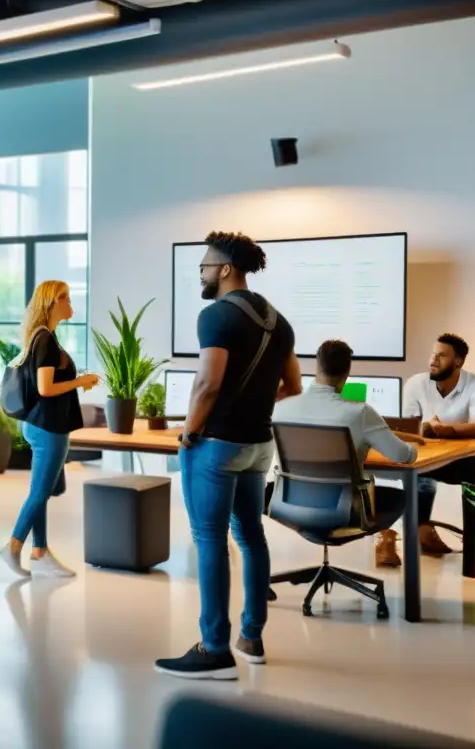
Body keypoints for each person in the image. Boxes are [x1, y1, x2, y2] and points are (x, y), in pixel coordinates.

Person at [155, 231, 301, 681]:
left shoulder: (215, 316)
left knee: (210, 539)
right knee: (250, 537)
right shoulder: (279, 320)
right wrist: (254, 409)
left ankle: (214, 648)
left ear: (224, 270)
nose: (200, 272)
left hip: (216, 445)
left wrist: (188, 431)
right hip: (259, 445)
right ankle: (251, 637)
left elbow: (207, 384)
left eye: (204, 265)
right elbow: (294, 385)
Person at [273, 340, 425, 566]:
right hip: (343, 513)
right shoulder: (359, 413)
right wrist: (415, 445)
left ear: (317, 367)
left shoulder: (281, 409)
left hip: (288, 505)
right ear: (346, 373)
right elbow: (403, 456)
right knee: (399, 497)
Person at [0, 280, 99, 579]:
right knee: (41, 492)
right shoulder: (44, 339)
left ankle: (40, 552)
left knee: (39, 491)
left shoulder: (44, 337)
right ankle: (14, 546)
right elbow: (45, 388)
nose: (70, 302)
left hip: (41, 425)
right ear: (52, 303)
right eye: (65, 298)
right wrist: (80, 382)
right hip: (48, 428)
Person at [377, 333, 475, 566]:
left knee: (460, 473)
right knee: (415, 469)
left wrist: (446, 430)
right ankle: (417, 530)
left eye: (441, 356)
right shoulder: (416, 383)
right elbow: (411, 430)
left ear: (458, 362)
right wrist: (426, 429)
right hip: (425, 456)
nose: (433, 360)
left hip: (461, 459)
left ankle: (427, 533)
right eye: (433, 354)